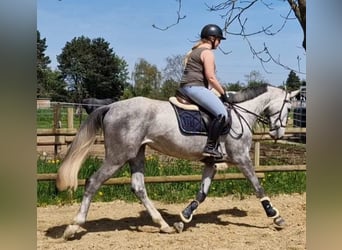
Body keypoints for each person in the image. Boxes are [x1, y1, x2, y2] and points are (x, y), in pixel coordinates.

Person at [179, 24, 229, 158]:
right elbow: (211, 77)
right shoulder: (207, 53)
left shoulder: (194, 51)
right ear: (212, 39)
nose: (219, 43)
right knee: (222, 113)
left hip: (187, 87)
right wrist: (224, 94)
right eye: (219, 40)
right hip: (195, 87)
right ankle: (210, 147)